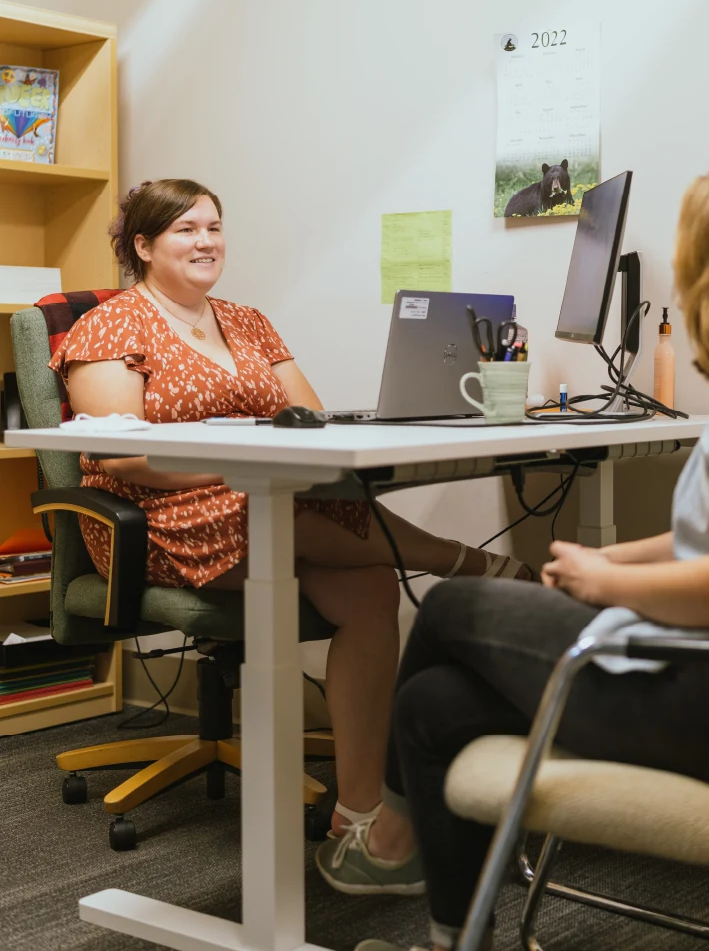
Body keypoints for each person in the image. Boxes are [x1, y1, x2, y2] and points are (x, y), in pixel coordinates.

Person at [315, 162, 709, 951]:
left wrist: (601, 579)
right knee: (431, 708)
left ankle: (389, 842)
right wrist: (620, 562)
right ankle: (453, 938)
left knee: (454, 605)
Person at [50, 178, 535, 837]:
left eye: (214, 227)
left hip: (257, 497)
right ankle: (470, 563)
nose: (206, 241)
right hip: (156, 516)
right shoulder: (111, 324)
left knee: (367, 588)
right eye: (186, 229)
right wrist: (245, 467)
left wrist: (282, 459)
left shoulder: (248, 321)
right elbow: (124, 459)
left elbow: (305, 419)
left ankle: (359, 809)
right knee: (289, 509)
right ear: (144, 244)